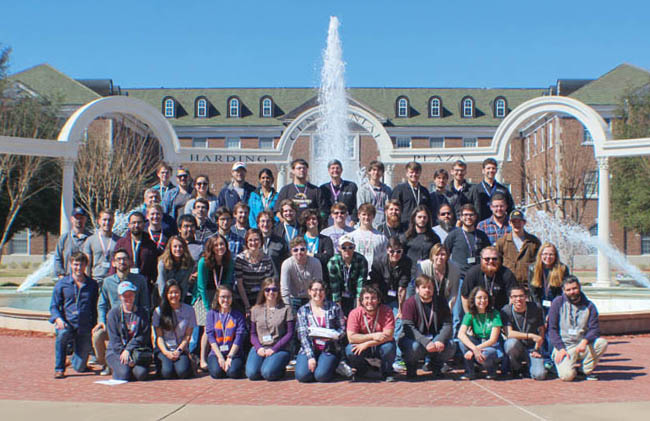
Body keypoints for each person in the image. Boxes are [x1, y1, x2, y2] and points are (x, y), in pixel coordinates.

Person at [94, 248, 150, 376]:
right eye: (118, 259)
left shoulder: (139, 280)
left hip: (134, 322)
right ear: (113, 263)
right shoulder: (107, 282)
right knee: (98, 335)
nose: (122, 262)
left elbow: (145, 305)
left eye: (125, 259)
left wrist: (144, 322)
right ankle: (106, 364)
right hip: (114, 324)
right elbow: (102, 305)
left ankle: (127, 361)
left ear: (130, 262)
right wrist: (102, 321)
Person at [548, 276, 608, 381]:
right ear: (564, 291)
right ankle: (564, 367)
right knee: (567, 377)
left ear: (579, 287)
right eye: (568, 290)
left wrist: (585, 341)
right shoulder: (557, 303)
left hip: (581, 346)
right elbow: (552, 329)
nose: (572, 292)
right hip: (564, 347)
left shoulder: (589, 306)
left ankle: (584, 370)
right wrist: (560, 348)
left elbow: (595, 329)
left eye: (574, 288)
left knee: (601, 343)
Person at [50, 252, 98, 379]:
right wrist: (58, 319)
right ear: (71, 265)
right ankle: (59, 368)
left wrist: (95, 324)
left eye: (81, 265)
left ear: (86, 266)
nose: (78, 268)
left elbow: (95, 307)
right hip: (67, 323)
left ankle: (73, 360)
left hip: (84, 326)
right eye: (76, 264)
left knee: (80, 368)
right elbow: (54, 306)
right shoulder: (62, 284)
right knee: (62, 334)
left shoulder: (92, 285)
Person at [399, 275, 455, 379]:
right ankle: (411, 367)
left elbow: (447, 324)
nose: (427, 290)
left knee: (451, 345)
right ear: (417, 289)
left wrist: (440, 339)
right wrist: (425, 341)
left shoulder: (441, 302)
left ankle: (436, 366)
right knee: (414, 347)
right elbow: (408, 328)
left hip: (435, 339)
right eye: (424, 287)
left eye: (430, 287)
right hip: (415, 339)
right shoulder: (409, 303)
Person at [195, 234, 235, 370]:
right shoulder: (203, 262)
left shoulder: (228, 261)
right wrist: (208, 308)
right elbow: (201, 286)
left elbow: (228, 282)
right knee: (208, 327)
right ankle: (202, 359)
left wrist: (224, 301)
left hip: (222, 296)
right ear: (211, 247)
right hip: (205, 296)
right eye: (216, 245)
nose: (220, 247)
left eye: (222, 244)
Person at [295, 280, 347, 383]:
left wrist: (335, 335)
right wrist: (310, 357)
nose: (318, 293)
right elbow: (303, 336)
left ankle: (332, 366)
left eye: (321, 290)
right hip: (310, 348)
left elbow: (342, 328)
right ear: (309, 291)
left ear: (325, 292)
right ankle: (318, 364)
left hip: (329, 348)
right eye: (315, 290)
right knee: (302, 376)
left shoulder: (334, 308)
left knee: (321, 376)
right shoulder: (303, 310)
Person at [246, 278, 295, 381]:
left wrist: (274, 349)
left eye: (274, 289)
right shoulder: (255, 309)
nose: (271, 292)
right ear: (263, 292)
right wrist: (259, 347)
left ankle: (278, 368)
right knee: (252, 374)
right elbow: (253, 334)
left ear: (279, 291)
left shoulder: (286, 309)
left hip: (279, 347)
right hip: (261, 347)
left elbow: (290, 334)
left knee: (268, 373)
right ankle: (267, 364)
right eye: (267, 290)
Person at [345, 286, 397, 382]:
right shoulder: (354, 313)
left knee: (389, 347)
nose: (370, 301)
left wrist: (367, 344)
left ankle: (387, 372)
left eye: (373, 298)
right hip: (364, 345)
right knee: (350, 350)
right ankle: (363, 370)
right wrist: (373, 336)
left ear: (378, 300)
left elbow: (389, 336)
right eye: (367, 298)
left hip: (379, 345)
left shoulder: (387, 311)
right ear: (361, 300)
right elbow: (351, 338)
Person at [105, 281, 150, 382]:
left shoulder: (142, 313)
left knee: (141, 374)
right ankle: (118, 368)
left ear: (134, 295)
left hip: (135, 351)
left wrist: (129, 350)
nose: (128, 298)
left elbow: (143, 336)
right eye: (124, 295)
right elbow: (114, 340)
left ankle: (128, 368)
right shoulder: (113, 314)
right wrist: (123, 352)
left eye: (130, 295)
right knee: (123, 375)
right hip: (116, 351)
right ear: (120, 296)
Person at [153, 280, 196, 379]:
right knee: (167, 373)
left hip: (180, 348)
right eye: (170, 293)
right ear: (166, 294)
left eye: (176, 292)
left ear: (181, 293)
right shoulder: (158, 311)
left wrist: (179, 350)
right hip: (165, 348)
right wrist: (166, 352)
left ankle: (187, 363)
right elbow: (159, 337)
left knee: (182, 372)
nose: (174, 295)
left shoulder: (189, 310)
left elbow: (188, 335)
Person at [457, 286, 502, 380]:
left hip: (492, 346)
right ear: (473, 299)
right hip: (478, 343)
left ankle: (491, 370)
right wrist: (474, 349)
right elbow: (460, 334)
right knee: (462, 341)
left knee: (485, 355)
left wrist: (474, 350)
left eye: (485, 298)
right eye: (479, 298)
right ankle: (470, 372)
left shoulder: (495, 313)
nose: (483, 300)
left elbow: (493, 340)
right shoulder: (470, 314)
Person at [501, 285, 546, 380]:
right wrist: (530, 335)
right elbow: (509, 333)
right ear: (510, 298)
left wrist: (537, 349)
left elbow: (541, 330)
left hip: (532, 347)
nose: (518, 299)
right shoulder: (506, 310)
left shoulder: (535, 308)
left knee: (540, 375)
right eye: (515, 296)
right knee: (510, 344)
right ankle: (517, 368)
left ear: (526, 297)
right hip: (517, 346)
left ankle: (528, 367)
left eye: (521, 296)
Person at [206, 285, 247, 379]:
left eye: (228, 297)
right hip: (216, 352)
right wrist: (220, 357)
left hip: (234, 353)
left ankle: (231, 367)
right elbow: (211, 337)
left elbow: (239, 338)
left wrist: (230, 357)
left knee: (233, 372)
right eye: (223, 297)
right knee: (217, 373)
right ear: (217, 298)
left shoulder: (238, 315)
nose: (226, 300)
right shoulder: (211, 314)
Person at [461, 246, 516, 313]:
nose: (491, 261)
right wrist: (469, 315)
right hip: (478, 313)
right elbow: (465, 296)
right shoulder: (472, 273)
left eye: (494, 259)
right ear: (481, 259)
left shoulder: (507, 274)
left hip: (500, 313)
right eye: (487, 259)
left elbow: (513, 296)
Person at [114, 211, 158, 293]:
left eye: (139, 223)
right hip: (124, 285)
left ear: (144, 224)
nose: (136, 225)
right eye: (133, 223)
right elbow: (114, 265)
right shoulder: (121, 243)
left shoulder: (151, 245)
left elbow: (154, 268)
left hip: (144, 286)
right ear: (128, 225)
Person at [234, 229, 276, 314]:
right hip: (243, 297)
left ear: (261, 241)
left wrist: (257, 305)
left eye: (256, 239)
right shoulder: (240, 259)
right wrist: (247, 306)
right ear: (246, 242)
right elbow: (239, 284)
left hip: (260, 297)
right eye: (250, 240)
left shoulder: (266, 259)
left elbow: (266, 284)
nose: (253, 243)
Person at [495, 209, 541, 286]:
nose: (517, 224)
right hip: (508, 284)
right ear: (509, 223)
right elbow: (497, 263)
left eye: (519, 221)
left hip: (528, 284)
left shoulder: (534, 242)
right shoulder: (502, 242)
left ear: (524, 222)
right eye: (514, 222)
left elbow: (539, 263)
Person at [444, 204, 490, 276]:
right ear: (461, 217)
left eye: (471, 215)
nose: (468, 217)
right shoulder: (453, 235)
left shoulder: (482, 235)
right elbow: (445, 254)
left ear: (475, 217)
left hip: (478, 276)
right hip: (459, 276)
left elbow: (488, 254)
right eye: (465, 215)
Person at [327, 234, 368, 315]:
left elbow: (360, 285)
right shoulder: (332, 262)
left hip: (354, 295)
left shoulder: (362, 260)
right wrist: (340, 312)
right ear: (339, 248)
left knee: (357, 315)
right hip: (339, 296)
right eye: (344, 247)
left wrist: (358, 309)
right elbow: (335, 288)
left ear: (354, 247)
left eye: (350, 247)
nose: (347, 250)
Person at [280, 237, 323, 313]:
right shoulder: (286, 264)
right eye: (295, 250)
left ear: (307, 250)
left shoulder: (316, 262)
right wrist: (288, 310)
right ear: (291, 252)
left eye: (302, 249)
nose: (299, 252)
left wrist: (315, 306)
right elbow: (284, 289)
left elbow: (318, 286)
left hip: (310, 298)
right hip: (293, 299)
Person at [415, 244, 461, 312]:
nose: (440, 257)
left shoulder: (455, 269)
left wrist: (448, 310)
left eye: (443, 254)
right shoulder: (422, 266)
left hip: (445, 301)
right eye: (437, 254)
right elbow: (418, 289)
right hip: (426, 301)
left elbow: (453, 293)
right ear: (432, 256)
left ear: (447, 256)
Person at [528, 242, 570, 314]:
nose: (548, 257)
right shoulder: (533, 268)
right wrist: (539, 308)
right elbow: (533, 292)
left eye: (551, 254)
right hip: (538, 304)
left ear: (555, 256)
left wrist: (554, 307)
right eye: (545, 254)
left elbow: (562, 291)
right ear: (540, 255)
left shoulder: (562, 269)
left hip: (556, 304)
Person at [83, 209, 120, 287]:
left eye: (110, 220)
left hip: (113, 281)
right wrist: (87, 283)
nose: (107, 223)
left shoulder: (119, 241)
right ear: (99, 221)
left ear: (113, 221)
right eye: (104, 220)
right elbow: (87, 265)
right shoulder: (90, 240)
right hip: (95, 281)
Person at [390, 161, 432, 226]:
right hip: (405, 226)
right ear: (407, 173)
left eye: (416, 172)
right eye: (411, 172)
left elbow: (429, 210)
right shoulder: (399, 189)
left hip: (421, 225)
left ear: (420, 173)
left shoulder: (424, 191)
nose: (414, 175)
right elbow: (394, 207)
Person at [156, 236, 195, 304]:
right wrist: (167, 303)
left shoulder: (189, 263)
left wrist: (179, 302)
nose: (178, 249)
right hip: (161, 297)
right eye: (175, 246)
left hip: (178, 297)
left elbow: (184, 285)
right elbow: (161, 285)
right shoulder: (162, 264)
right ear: (170, 248)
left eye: (180, 246)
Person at [54, 207, 90, 278]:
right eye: (76, 218)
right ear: (71, 219)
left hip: (86, 280)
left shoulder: (91, 238)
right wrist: (61, 276)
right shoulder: (64, 238)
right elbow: (58, 258)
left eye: (81, 218)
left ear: (85, 219)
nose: (79, 220)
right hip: (68, 278)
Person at [349, 203, 388, 268]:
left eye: (369, 215)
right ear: (359, 215)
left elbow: (385, 258)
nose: (366, 217)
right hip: (357, 274)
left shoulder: (381, 237)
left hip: (375, 274)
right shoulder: (351, 236)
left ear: (373, 216)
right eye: (364, 214)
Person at [320, 159, 358, 224]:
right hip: (330, 220)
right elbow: (322, 207)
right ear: (329, 171)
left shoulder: (351, 186)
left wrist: (354, 220)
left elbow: (356, 204)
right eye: (333, 168)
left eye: (337, 168)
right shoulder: (323, 188)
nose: (335, 170)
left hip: (347, 220)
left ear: (341, 170)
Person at [356, 160, 392, 228]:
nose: (376, 172)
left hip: (384, 225)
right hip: (368, 225)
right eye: (374, 170)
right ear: (369, 172)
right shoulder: (363, 190)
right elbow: (361, 209)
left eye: (379, 170)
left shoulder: (387, 190)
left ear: (382, 173)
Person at [300, 209, 334, 277]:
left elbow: (327, 257)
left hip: (321, 275)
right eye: (308, 219)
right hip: (302, 275)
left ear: (318, 221)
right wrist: (319, 255)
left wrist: (310, 255)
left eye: (314, 219)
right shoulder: (299, 239)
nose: (311, 221)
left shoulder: (326, 240)